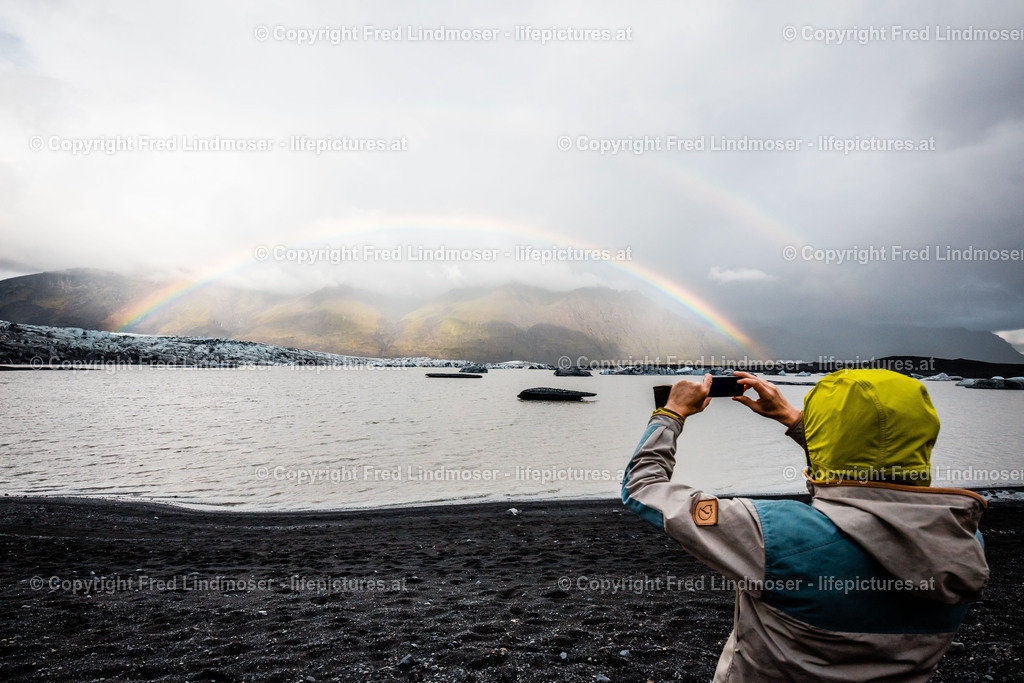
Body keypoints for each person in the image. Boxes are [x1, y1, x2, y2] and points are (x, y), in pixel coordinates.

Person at [621, 368, 989, 682]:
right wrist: (794, 420)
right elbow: (865, 480)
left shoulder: (770, 532)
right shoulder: (962, 540)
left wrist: (670, 414)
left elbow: (645, 487)